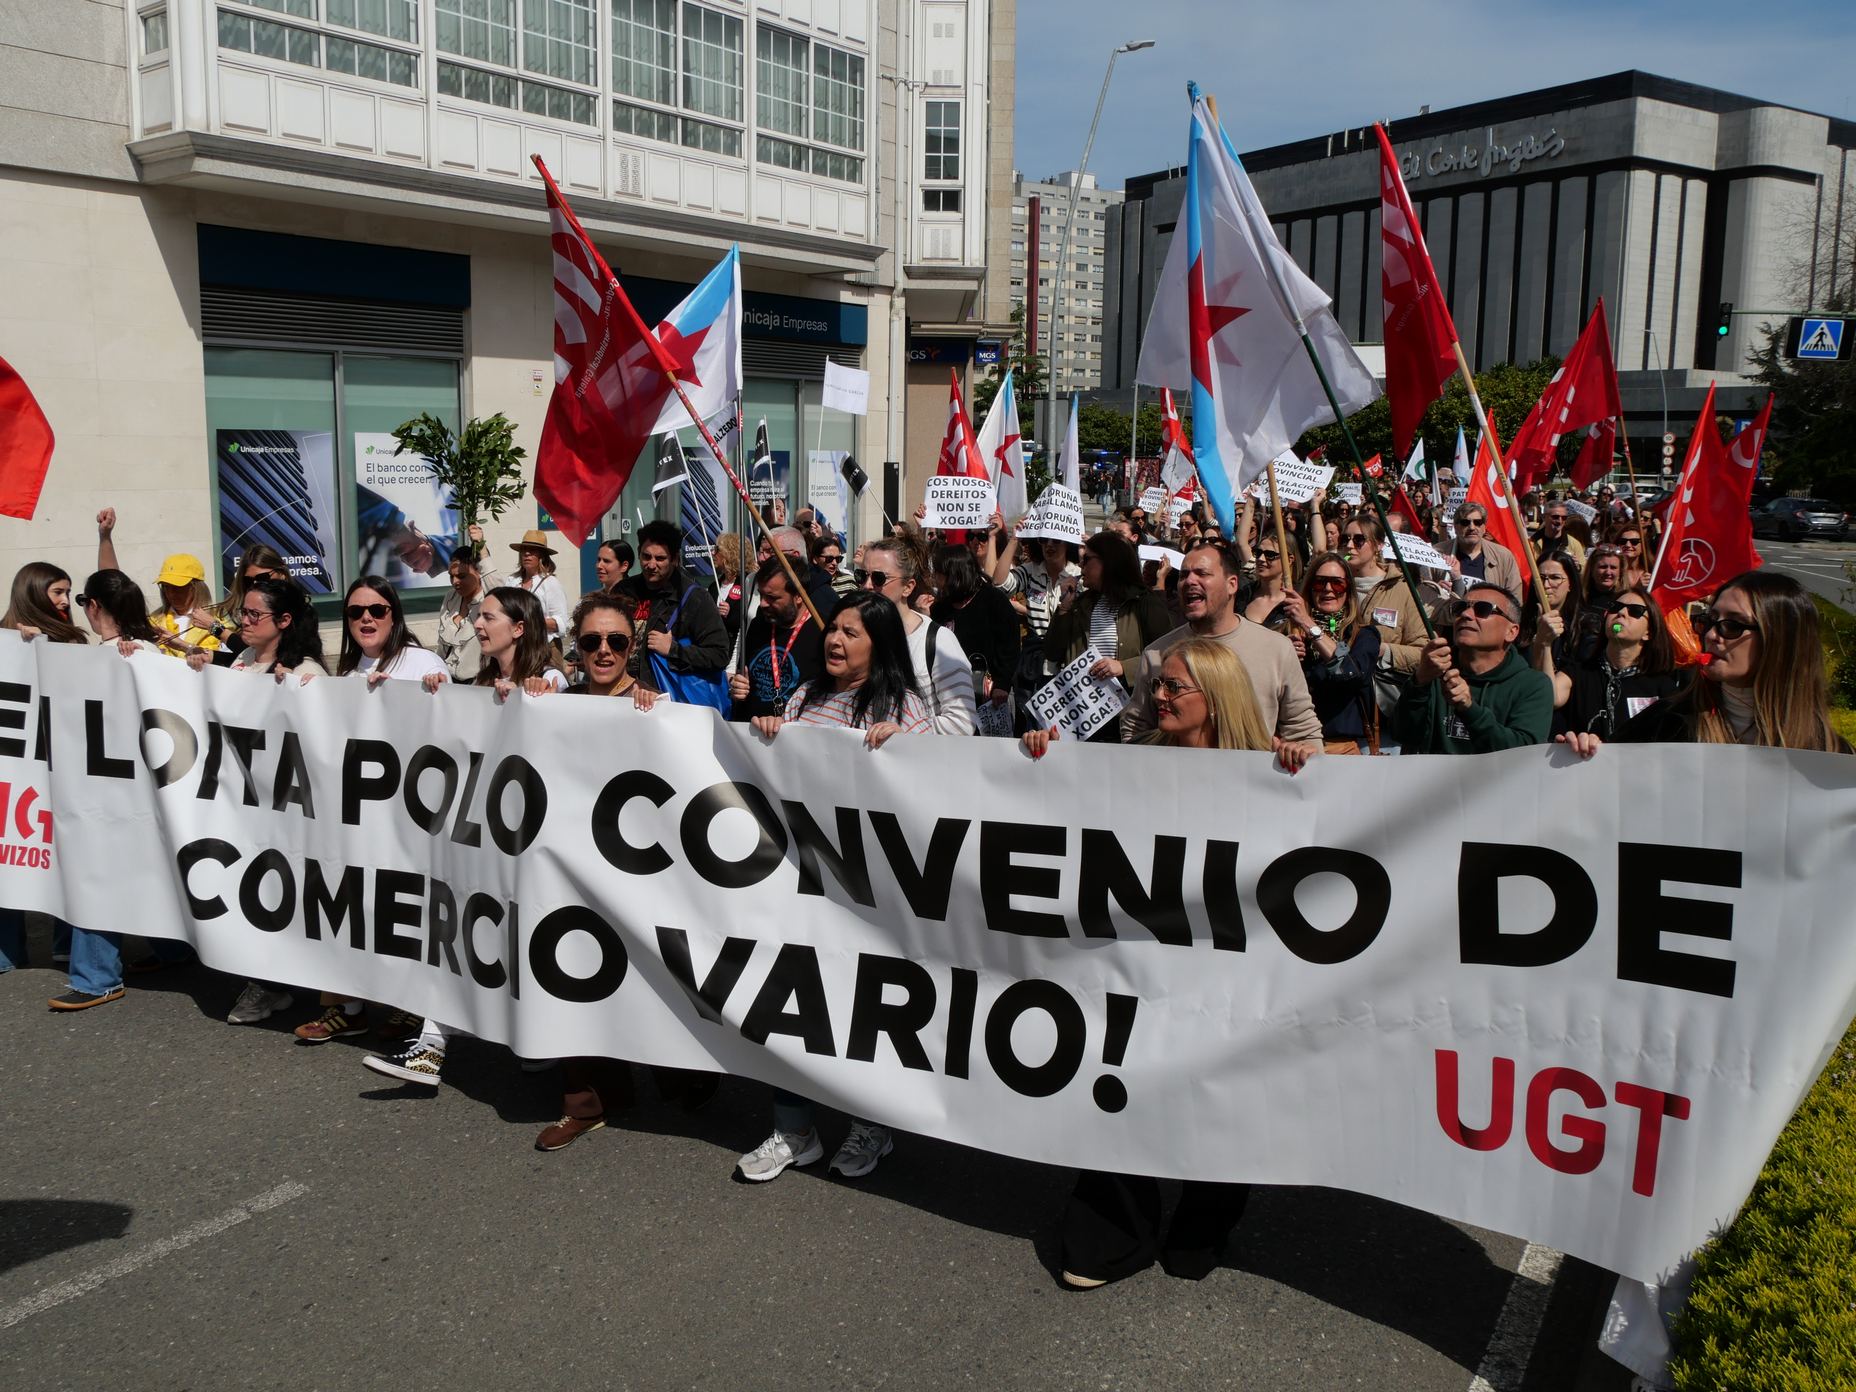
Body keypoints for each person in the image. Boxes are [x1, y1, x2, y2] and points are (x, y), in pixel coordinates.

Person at [1557, 572, 1848, 1392]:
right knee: (1663, 1166)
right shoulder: (1675, 721)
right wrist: (1587, 765)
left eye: (1730, 626)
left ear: (1781, 643)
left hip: (1752, 1000)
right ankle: (1643, 1348)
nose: (1709, 636)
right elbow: (1602, 817)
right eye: (1705, 620)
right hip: (1665, 987)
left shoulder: (1829, 763)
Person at [1025, 638, 1273, 1288]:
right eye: (1158, 684)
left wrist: (1301, 770)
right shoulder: (1136, 762)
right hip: (1140, 966)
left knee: (1216, 1097)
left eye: (1173, 687)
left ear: (1216, 697)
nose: (1158, 696)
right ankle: (1112, 1231)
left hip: (1224, 973)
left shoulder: (1267, 775)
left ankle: (1203, 1221)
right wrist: (1041, 763)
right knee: (1119, 1082)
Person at [736, 592, 933, 1183]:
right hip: (800, 880)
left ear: (880, 644)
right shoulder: (807, 694)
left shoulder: (905, 707)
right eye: (834, 629)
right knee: (789, 1003)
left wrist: (907, 751)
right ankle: (793, 1129)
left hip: (869, 890)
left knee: (860, 1009)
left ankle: (870, 1125)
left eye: (851, 632)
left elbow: (937, 791)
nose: (835, 640)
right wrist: (770, 730)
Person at [363, 586, 564, 1088]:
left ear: (519, 627)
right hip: (480, 834)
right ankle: (431, 1047)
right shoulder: (478, 682)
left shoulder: (552, 679)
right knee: (455, 930)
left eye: (489, 617)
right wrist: (438, 695)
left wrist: (534, 697)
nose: (478, 624)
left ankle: (539, 1040)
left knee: (519, 939)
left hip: (528, 840)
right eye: (479, 616)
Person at [288, 578, 448, 1043]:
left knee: (407, 910)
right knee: (355, 907)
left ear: (394, 614)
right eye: (356, 611)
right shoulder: (348, 670)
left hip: (410, 815)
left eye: (377, 610)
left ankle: (412, 1007)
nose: (366, 619)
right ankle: (350, 1006)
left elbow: (448, 729)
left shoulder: (422, 662)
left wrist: (425, 694)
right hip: (360, 814)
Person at [175, 576, 326, 1023]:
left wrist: (295, 695)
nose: (244, 620)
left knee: (275, 892)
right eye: (243, 612)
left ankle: (275, 985)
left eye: (254, 614)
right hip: (239, 802)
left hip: (282, 807)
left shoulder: (305, 671)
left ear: (284, 621)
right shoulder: (241, 660)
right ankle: (265, 979)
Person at [1121, 541, 1324, 758]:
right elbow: (1136, 728)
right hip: (1177, 776)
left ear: (1232, 584)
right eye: (1184, 575)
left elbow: (1302, 728)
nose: (1189, 581)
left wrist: (1303, 755)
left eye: (1202, 573)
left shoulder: (1276, 649)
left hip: (1250, 777)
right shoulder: (1156, 653)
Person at [1040, 532, 1173, 741]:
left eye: (1087, 559)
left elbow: (1167, 655)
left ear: (1109, 562)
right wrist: (1064, 608)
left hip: (1129, 714)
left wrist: (1124, 667)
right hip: (1084, 715)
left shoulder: (1144, 603)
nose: (1081, 566)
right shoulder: (1080, 604)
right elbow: (1053, 652)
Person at [1395, 584, 1553, 753]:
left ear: (1512, 632)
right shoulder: (1434, 670)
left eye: (1483, 609)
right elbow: (1402, 734)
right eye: (1460, 608)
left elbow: (1522, 755)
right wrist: (1419, 683)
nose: (1466, 614)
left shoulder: (1533, 685)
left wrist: (1470, 709)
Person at [857, 538, 976, 735]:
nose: (867, 585)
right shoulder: (853, 633)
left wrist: (906, 732)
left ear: (908, 587)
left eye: (878, 578)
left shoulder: (938, 640)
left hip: (915, 753)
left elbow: (962, 723)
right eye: (861, 576)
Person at [1551, 587, 1683, 738]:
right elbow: (1550, 698)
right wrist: (1543, 643)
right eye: (1615, 607)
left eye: (1635, 611)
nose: (1621, 613)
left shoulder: (1664, 688)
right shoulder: (1578, 673)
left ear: (1649, 633)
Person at [1286, 552, 1383, 753]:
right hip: (1295, 745)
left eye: (1337, 583)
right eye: (1320, 582)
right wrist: (1285, 653)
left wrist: (1309, 624)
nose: (1328, 589)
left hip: (1343, 748)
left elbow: (1351, 672)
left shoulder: (1364, 635)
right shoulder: (1291, 631)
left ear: (1348, 590)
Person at [623, 520, 731, 694]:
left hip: (665, 698)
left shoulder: (694, 598)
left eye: (660, 558)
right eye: (646, 556)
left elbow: (719, 655)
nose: (651, 565)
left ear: (674, 559)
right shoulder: (624, 591)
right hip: (623, 694)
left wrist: (673, 650)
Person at [929, 543, 1020, 723]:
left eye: (938, 573)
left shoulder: (993, 600)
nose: (934, 578)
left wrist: (1002, 684)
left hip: (991, 695)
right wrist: (925, 615)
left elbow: (1010, 645)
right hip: (952, 693)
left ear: (953, 573)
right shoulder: (940, 607)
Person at [727, 558, 824, 720]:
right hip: (749, 730)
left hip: (792, 732)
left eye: (772, 597)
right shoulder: (759, 624)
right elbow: (742, 675)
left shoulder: (822, 632)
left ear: (798, 596)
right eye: (761, 595)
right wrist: (737, 686)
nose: (763, 604)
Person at [433, 543, 501, 681]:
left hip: (478, 684)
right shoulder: (450, 598)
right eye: (451, 576)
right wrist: (435, 669)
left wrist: (481, 547)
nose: (455, 582)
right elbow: (441, 647)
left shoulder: (489, 600)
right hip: (447, 681)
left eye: (462, 576)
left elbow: (500, 590)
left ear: (479, 572)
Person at [1523, 550, 1582, 695]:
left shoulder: (1585, 627)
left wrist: (1544, 643)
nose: (1546, 585)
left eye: (1555, 578)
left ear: (1571, 584)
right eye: (1540, 577)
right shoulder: (1520, 620)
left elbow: (1552, 695)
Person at [1450, 502, 1524, 599]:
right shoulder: (1438, 552)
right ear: (1455, 527)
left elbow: (1514, 598)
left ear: (1484, 527)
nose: (1472, 527)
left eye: (1477, 523)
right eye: (1465, 523)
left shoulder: (1503, 556)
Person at [2, 562, 86, 644]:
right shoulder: (3, 636)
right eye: (58, 592)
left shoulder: (72, 638)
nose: (66, 601)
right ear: (33, 594)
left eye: (67, 593)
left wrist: (42, 642)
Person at [510, 529, 569, 645]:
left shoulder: (551, 583)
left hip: (544, 646)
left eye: (532, 550)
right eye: (524, 550)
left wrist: (531, 622)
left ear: (541, 555)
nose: (527, 554)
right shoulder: (512, 581)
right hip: (518, 646)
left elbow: (562, 623)